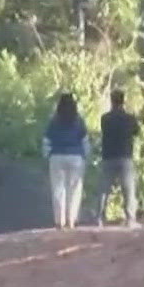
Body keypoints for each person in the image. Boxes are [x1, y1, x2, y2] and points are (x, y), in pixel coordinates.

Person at [42, 92, 90, 230]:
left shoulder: (54, 121)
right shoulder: (78, 120)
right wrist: (85, 156)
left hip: (56, 157)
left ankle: (59, 221)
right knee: (74, 190)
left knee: (58, 189)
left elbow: (47, 141)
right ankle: (72, 220)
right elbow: (85, 141)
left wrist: (47, 155)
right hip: (76, 157)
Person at [96, 89, 142, 228]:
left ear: (111, 101)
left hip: (108, 155)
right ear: (123, 101)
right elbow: (137, 131)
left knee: (104, 189)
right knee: (128, 189)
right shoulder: (129, 118)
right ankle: (130, 218)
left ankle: (99, 218)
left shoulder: (105, 118)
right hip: (125, 156)